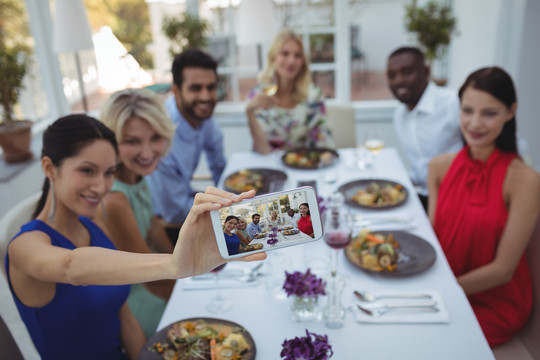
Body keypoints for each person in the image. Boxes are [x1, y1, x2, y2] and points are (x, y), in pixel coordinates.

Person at [4, 115, 265, 360]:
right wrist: (174, 265)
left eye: (108, 172)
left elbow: (125, 319)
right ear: (49, 168)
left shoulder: (92, 227)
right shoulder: (24, 246)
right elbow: (71, 267)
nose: (101, 186)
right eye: (87, 170)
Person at [427, 67, 540, 347]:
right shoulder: (439, 167)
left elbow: (504, 269)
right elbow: (433, 241)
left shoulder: (524, 180)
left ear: (510, 112)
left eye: (489, 113)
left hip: (493, 304)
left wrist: (441, 291)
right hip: (441, 290)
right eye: (467, 110)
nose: (475, 123)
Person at [98, 88, 175, 338]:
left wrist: (186, 269)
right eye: (132, 141)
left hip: (154, 278)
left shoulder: (135, 175)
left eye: (155, 137)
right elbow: (151, 279)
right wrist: (190, 287)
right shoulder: (113, 199)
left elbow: (153, 226)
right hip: (132, 302)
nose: (146, 151)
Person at [147, 49, 226, 226]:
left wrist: (230, 194)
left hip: (186, 199)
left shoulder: (201, 115)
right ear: (176, 90)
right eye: (195, 88)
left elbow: (219, 164)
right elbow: (175, 213)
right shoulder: (160, 137)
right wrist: (229, 207)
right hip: (164, 223)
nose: (205, 96)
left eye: (211, 87)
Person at [386, 46, 462, 210]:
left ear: (426, 71)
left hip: (457, 199)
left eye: (407, 72)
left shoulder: (452, 103)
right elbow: (420, 167)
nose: (398, 80)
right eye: (392, 75)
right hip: (421, 196)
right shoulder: (399, 115)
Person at [246, 29, 335, 153]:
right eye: (285, 54)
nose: (291, 60)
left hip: (303, 167)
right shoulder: (258, 95)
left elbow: (323, 144)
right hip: (269, 166)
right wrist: (249, 112)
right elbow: (263, 150)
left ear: (303, 62)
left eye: (297, 55)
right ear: (273, 57)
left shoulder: (313, 97)